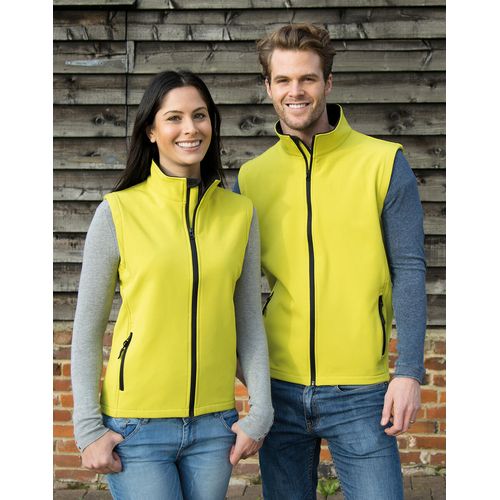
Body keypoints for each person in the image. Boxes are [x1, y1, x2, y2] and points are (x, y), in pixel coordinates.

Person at [234, 24, 426, 500]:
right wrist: (243, 367)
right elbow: (231, 283)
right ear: (268, 87)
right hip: (278, 388)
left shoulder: (383, 162)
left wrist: (409, 371)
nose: (295, 91)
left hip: (361, 391)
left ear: (328, 83)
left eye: (308, 78)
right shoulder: (252, 178)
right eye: (283, 80)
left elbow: (409, 270)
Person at [71, 70, 274, 500]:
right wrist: (88, 428)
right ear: (151, 130)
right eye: (174, 118)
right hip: (136, 426)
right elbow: (87, 331)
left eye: (199, 116)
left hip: (214, 426)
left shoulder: (240, 214)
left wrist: (260, 412)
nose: (190, 129)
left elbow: (249, 324)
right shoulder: (117, 212)